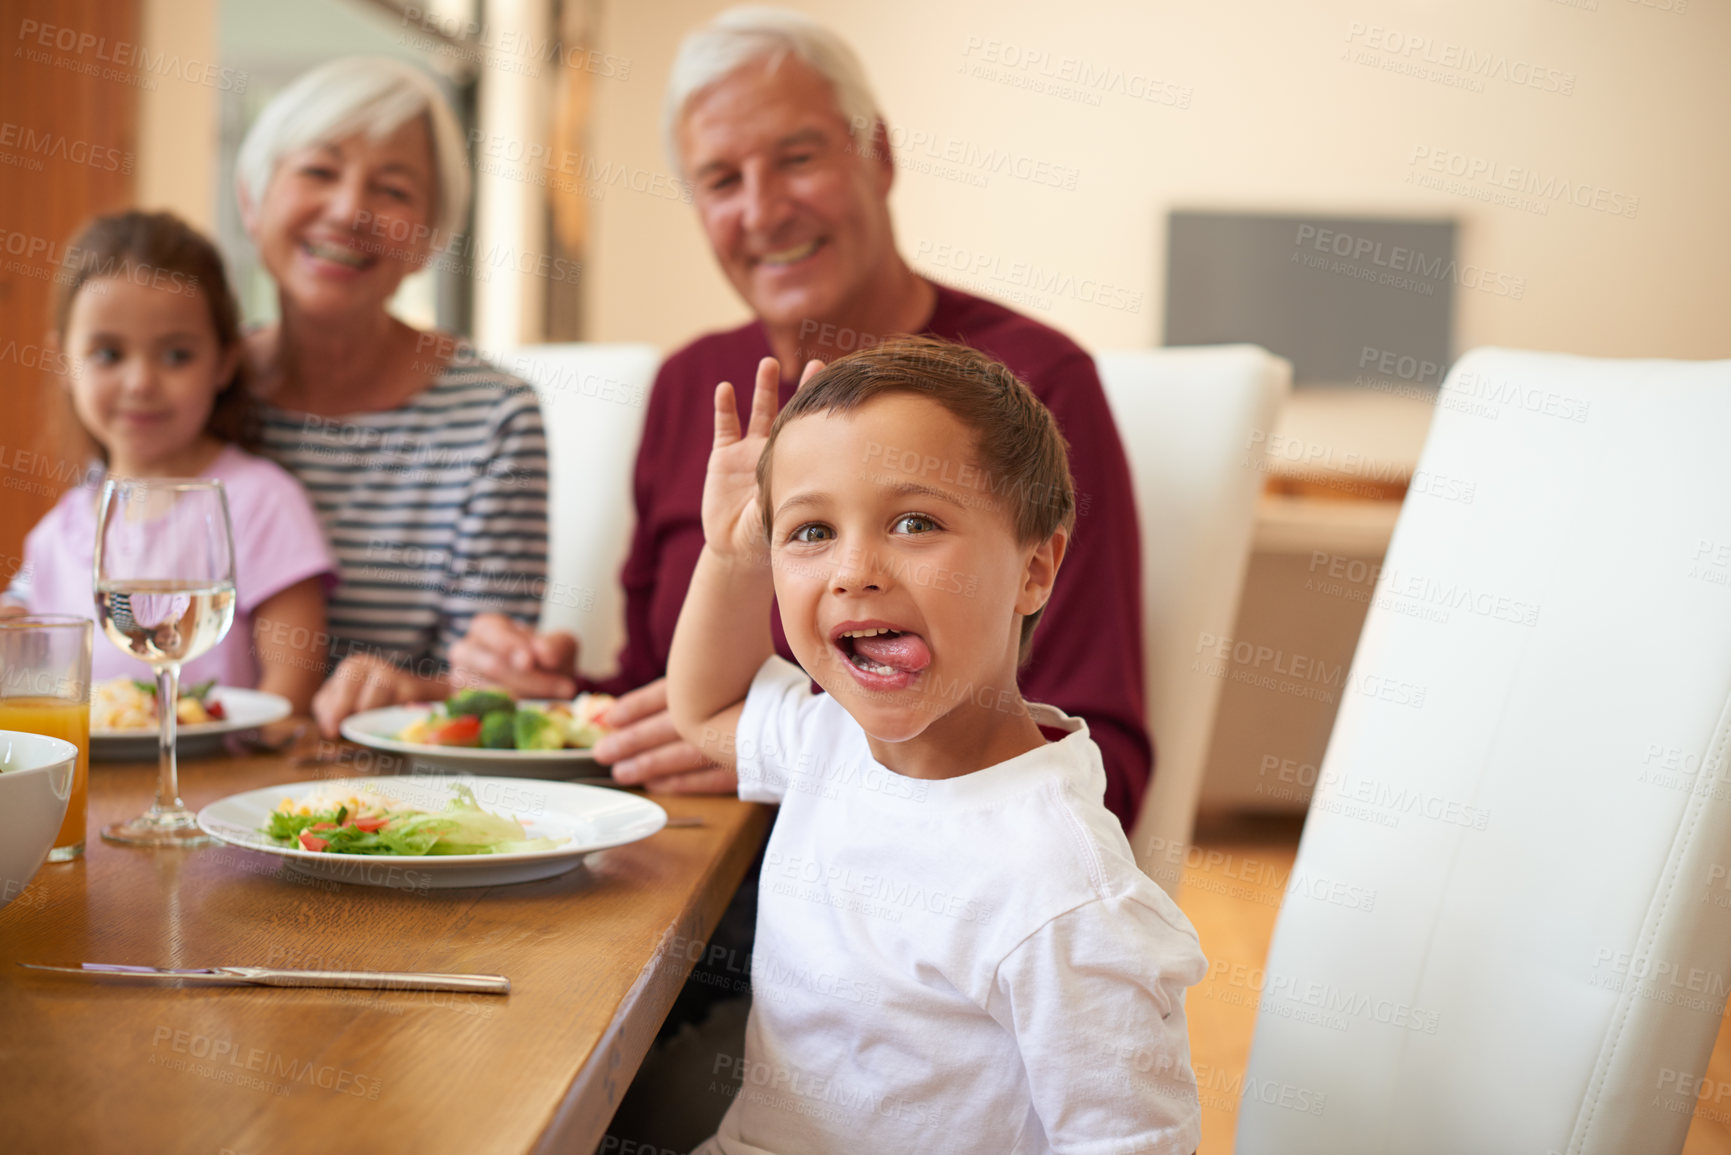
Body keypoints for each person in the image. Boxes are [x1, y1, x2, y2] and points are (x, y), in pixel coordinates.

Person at [454, 6, 1151, 830]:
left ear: (878, 155)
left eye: (797, 157)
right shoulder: (693, 386)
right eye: (721, 180)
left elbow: (1105, 766)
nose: (763, 210)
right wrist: (543, 694)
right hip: (686, 861)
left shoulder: (1032, 384)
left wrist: (787, 757)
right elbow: (666, 691)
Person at [668, 338, 1206, 1153]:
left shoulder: (1064, 893)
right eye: (809, 531)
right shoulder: (828, 740)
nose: (853, 570)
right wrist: (732, 551)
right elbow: (706, 705)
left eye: (914, 522)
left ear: (1034, 568)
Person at [233, 56, 550, 735]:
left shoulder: (494, 416)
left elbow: (490, 691)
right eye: (318, 171)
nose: (349, 210)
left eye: (393, 189)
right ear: (251, 201)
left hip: (394, 792)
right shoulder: (186, 383)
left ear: (431, 241)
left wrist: (406, 689)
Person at [2, 211, 333, 713]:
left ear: (224, 361)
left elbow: (291, 691)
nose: (140, 383)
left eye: (176, 356)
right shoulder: (60, 528)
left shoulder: (260, 501)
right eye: (109, 354)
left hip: (216, 780)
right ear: (63, 361)